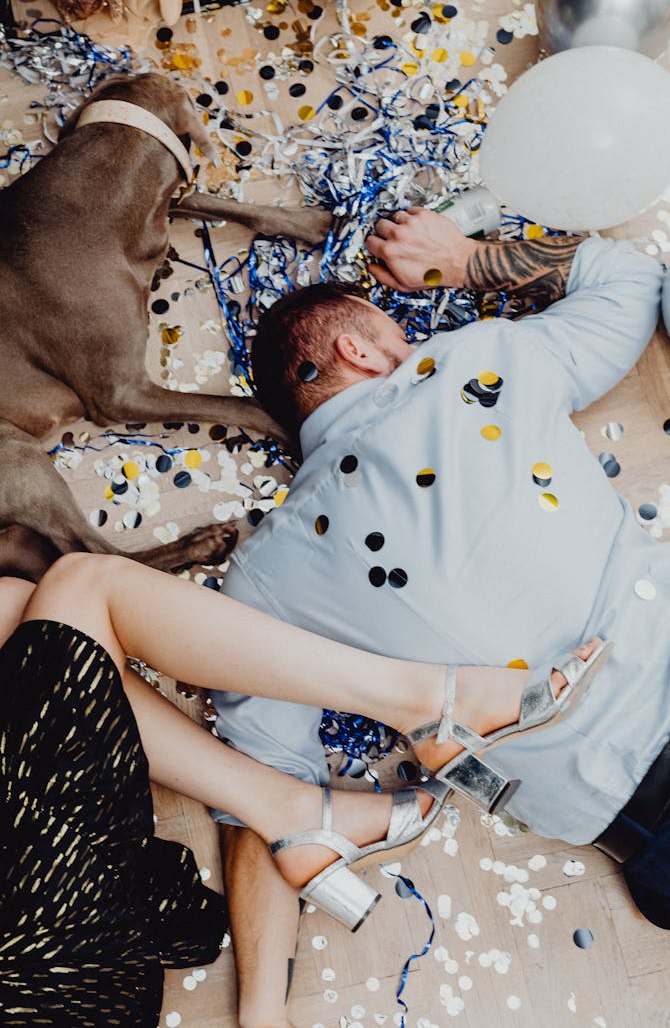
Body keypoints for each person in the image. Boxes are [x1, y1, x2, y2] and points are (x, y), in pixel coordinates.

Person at [210, 208, 669, 1028]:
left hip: (640, 818)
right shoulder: (472, 361)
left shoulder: (263, 580)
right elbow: (629, 278)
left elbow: (265, 801)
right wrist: (460, 261)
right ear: (357, 348)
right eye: (393, 326)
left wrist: (262, 1008)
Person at [0, 551, 598, 1026]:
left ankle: (295, 812)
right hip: (21, 993)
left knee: (7, 606)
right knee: (79, 588)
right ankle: (429, 704)